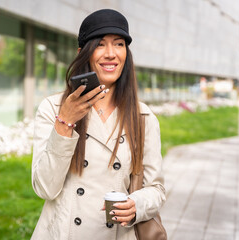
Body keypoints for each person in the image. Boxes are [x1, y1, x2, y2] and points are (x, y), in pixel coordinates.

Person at [31, 9, 166, 240]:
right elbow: (45, 188)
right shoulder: (52, 109)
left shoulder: (143, 118)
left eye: (119, 44)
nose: (111, 54)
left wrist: (136, 204)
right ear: (83, 53)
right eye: (101, 44)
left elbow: (156, 190)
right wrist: (65, 122)